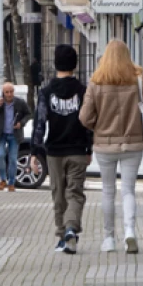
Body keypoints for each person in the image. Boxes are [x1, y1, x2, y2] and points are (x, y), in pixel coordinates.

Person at [79, 39, 143, 254]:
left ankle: (109, 239)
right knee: (128, 191)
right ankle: (130, 232)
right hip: (133, 145)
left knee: (108, 192)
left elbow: (83, 117)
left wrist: (98, 126)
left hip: (104, 146)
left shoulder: (96, 82)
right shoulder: (137, 79)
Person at [30, 45, 93, 255]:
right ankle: (71, 230)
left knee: (58, 195)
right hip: (77, 150)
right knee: (75, 193)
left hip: (54, 152)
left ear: (55, 64)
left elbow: (39, 123)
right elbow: (89, 121)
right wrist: (89, 148)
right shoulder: (83, 91)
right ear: (75, 65)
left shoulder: (46, 92)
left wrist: (34, 153)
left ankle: (62, 236)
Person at [0, 82, 31, 192]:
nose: (9, 94)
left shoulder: (20, 103)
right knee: (0, 155)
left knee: (12, 159)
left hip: (14, 134)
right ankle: (2, 179)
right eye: (7, 92)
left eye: (11, 92)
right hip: (0, 134)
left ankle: (11, 182)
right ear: (3, 92)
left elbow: (28, 114)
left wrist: (21, 123)